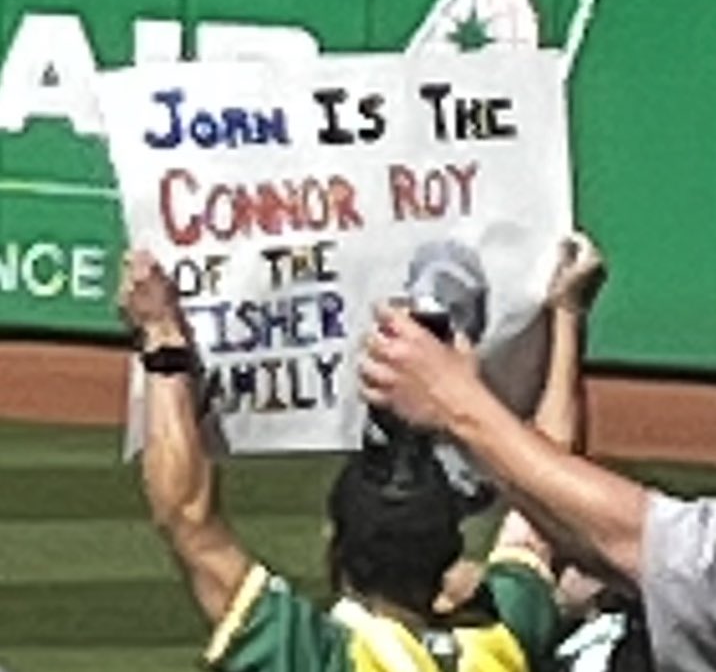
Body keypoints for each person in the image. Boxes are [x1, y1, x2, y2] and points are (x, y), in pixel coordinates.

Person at [118, 246, 592, 672]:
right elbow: (551, 492)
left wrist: (162, 339)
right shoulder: (500, 641)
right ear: (450, 559)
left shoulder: (319, 658)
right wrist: (568, 315)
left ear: (335, 548)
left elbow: (185, 513)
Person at [361, 233, 714, 672]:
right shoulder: (497, 639)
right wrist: (566, 317)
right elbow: (563, 518)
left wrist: (454, 399)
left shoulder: (332, 653)